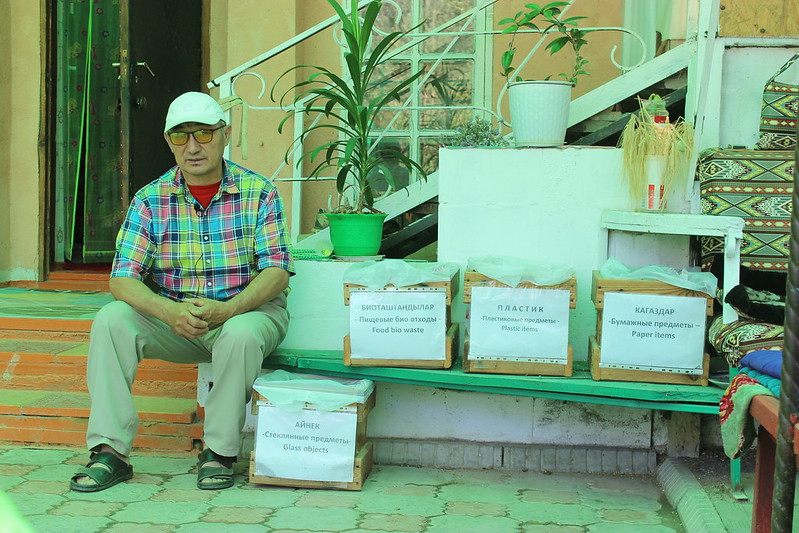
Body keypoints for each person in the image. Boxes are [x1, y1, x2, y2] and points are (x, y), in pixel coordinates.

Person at [69, 91, 294, 492]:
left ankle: (220, 452)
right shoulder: (150, 200)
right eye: (180, 136)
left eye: (204, 134)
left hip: (246, 315)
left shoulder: (260, 192)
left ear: (225, 134)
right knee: (111, 320)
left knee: (240, 334)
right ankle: (110, 452)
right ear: (168, 141)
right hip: (179, 320)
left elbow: (277, 271)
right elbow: (121, 278)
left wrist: (228, 310)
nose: (193, 147)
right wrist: (166, 312)